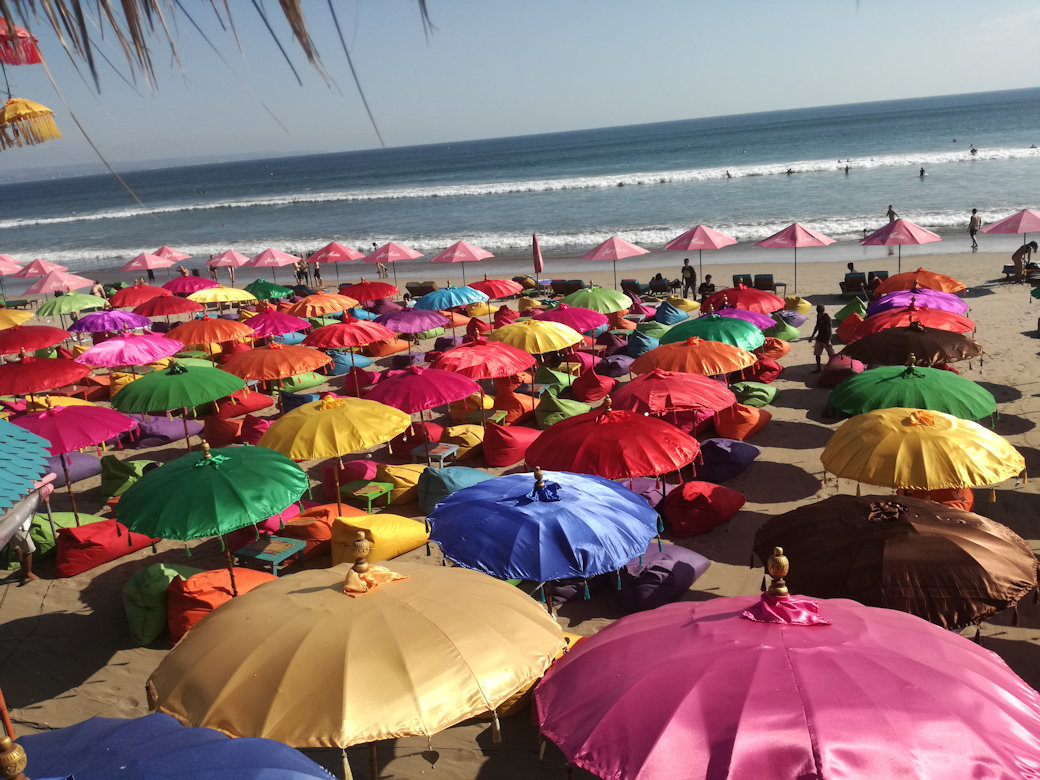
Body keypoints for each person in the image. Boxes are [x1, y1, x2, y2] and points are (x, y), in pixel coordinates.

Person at [809, 304, 835, 372]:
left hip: (826, 339)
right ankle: (818, 368)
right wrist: (812, 336)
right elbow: (817, 326)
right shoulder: (818, 316)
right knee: (817, 354)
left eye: (820, 312)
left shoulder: (827, 317)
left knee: (832, 356)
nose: (819, 314)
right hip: (819, 338)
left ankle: (833, 368)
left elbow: (830, 329)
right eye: (819, 312)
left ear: (823, 311)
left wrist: (829, 340)